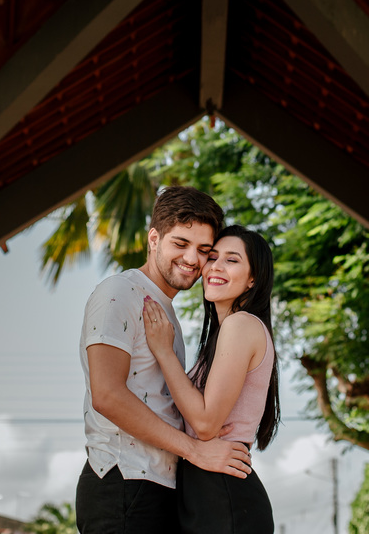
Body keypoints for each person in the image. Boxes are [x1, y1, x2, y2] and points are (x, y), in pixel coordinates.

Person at [76, 186, 253, 534]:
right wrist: (195, 451)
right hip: (124, 481)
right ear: (154, 238)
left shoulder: (165, 310)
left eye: (203, 250)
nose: (192, 259)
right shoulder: (119, 292)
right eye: (181, 243)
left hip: (159, 487)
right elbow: (107, 395)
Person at [142, 225, 280, 534]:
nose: (215, 266)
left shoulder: (241, 325)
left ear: (253, 279)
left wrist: (164, 352)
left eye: (232, 260)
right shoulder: (225, 334)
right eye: (213, 257)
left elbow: (205, 423)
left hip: (224, 496)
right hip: (205, 491)